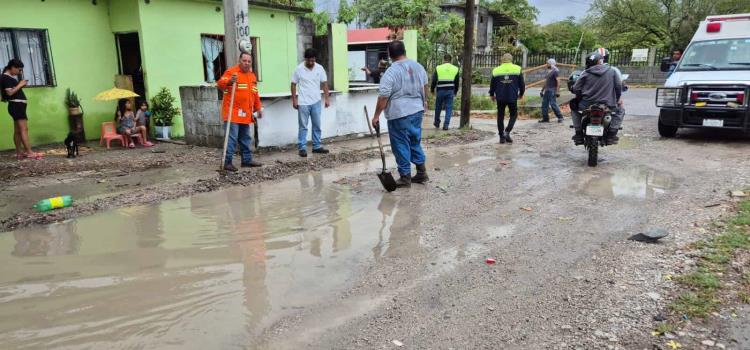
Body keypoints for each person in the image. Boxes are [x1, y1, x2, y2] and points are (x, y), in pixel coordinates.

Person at [371, 40, 429, 188]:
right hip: (417, 110)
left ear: (390, 55)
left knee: (401, 143)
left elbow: (383, 96)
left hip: (399, 113)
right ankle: (422, 172)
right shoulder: (418, 67)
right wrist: (424, 102)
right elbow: (425, 86)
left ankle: (405, 177)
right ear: (404, 51)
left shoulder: (391, 72)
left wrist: (376, 115)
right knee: (414, 140)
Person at [216, 52, 263, 172]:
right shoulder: (231, 72)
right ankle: (227, 162)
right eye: (244, 61)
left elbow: (255, 94)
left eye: (249, 61)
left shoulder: (252, 76)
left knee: (245, 138)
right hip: (232, 112)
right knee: (231, 138)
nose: (246, 63)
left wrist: (258, 108)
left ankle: (246, 160)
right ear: (240, 61)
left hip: (245, 113)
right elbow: (220, 84)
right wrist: (229, 81)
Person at [571, 51, 622, 145]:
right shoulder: (612, 71)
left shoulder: (586, 72)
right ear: (600, 61)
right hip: (607, 104)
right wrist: (617, 99)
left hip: (587, 104)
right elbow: (618, 87)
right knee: (620, 110)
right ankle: (612, 134)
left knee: (573, 107)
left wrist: (578, 97)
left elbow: (576, 88)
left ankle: (578, 133)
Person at [291, 48, 330, 158]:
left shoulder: (319, 68)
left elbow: (325, 83)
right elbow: (293, 84)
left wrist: (326, 99)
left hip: (316, 101)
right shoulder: (298, 69)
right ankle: (302, 148)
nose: (311, 63)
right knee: (303, 126)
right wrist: (294, 100)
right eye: (309, 61)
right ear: (305, 59)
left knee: (317, 125)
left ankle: (317, 146)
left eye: (313, 60)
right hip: (303, 102)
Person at [1, 59, 43, 160]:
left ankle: (19, 153)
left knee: (18, 131)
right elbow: (9, 93)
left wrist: (20, 85)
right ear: (12, 67)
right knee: (24, 129)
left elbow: (11, 92)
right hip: (17, 106)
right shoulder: (6, 77)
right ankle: (29, 152)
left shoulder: (7, 77)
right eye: (19, 70)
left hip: (16, 106)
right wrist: (20, 84)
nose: (20, 72)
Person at [489, 53, 525, 144]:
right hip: (512, 97)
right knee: (513, 114)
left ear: (502, 59)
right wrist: (521, 94)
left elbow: (492, 84)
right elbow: (522, 84)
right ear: (511, 59)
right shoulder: (517, 69)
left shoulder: (496, 70)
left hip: (500, 97)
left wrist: (492, 94)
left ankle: (502, 137)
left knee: (500, 116)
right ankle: (507, 131)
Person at [596, 47, 626, 143]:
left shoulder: (587, 70)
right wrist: (619, 98)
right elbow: (619, 85)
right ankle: (612, 133)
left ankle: (579, 131)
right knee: (620, 110)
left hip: (589, 101)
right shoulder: (614, 70)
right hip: (609, 101)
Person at [430, 54, 459, 130]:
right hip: (450, 90)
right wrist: (455, 91)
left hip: (440, 90)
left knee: (438, 107)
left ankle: (436, 122)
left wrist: (432, 90)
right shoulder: (455, 69)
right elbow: (457, 82)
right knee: (449, 107)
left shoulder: (438, 68)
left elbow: (434, 80)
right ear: (451, 60)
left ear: (443, 59)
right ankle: (446, 125)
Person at [539, 58, 564, 123]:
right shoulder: (549, 72)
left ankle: (560, 117)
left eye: (547, 63)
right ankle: (545, 118)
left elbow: (558, 81)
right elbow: (546, 82)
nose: (546, 64)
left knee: (553, 104)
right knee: (544, 104)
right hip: (547, 90)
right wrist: (542, 90)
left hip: (552, 90)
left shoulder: (555, 71)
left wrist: (558, 91)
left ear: (551, 64)